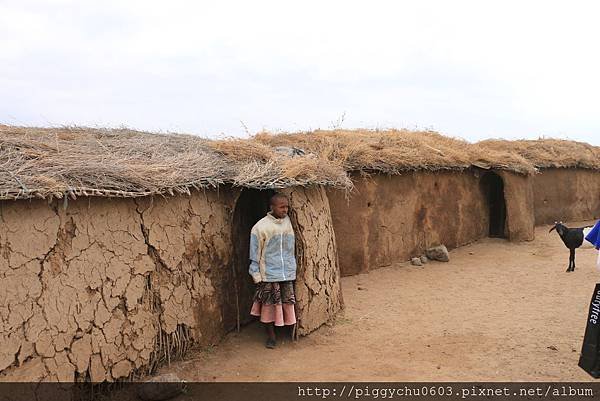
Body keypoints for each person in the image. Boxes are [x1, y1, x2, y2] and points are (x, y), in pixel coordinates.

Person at [249, 193, 297, 348]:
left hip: (287, 272)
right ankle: (271, 336)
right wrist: (256, 274)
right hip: (269, 274)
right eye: (281, 207)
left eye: (287, 207)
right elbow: (254, 253)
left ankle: (287, 331)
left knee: (287, 303)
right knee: (269, 306)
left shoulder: (288, 222)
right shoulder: (260, 227)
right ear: (272, 207)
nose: (285, 210)